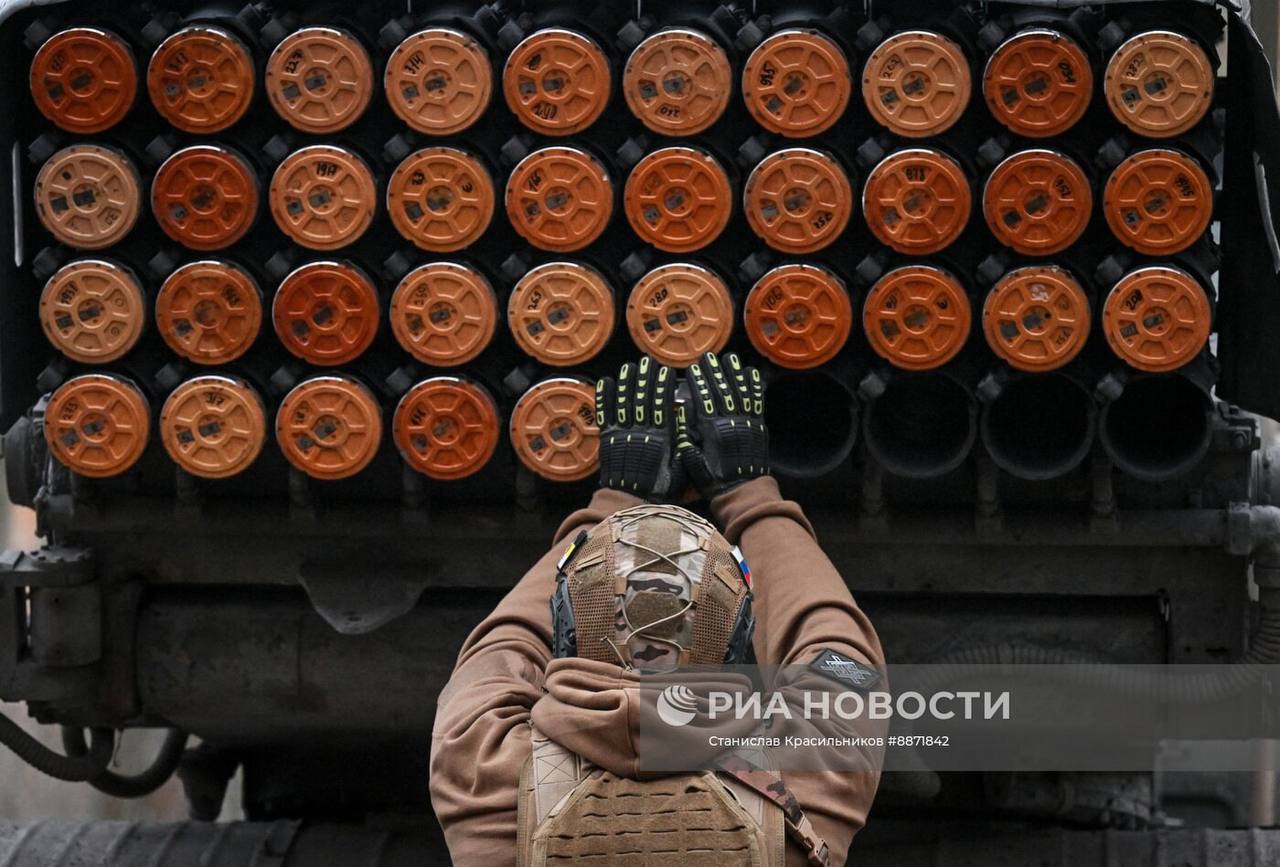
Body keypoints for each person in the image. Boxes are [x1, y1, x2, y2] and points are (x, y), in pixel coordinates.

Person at [430, 352, 884, 866]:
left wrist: (615, 502)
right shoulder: (800, 778)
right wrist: (749, 495)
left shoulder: (487, 775)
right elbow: (844, 660)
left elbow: (497, 652)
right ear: (739, 642)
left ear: (565, 631)